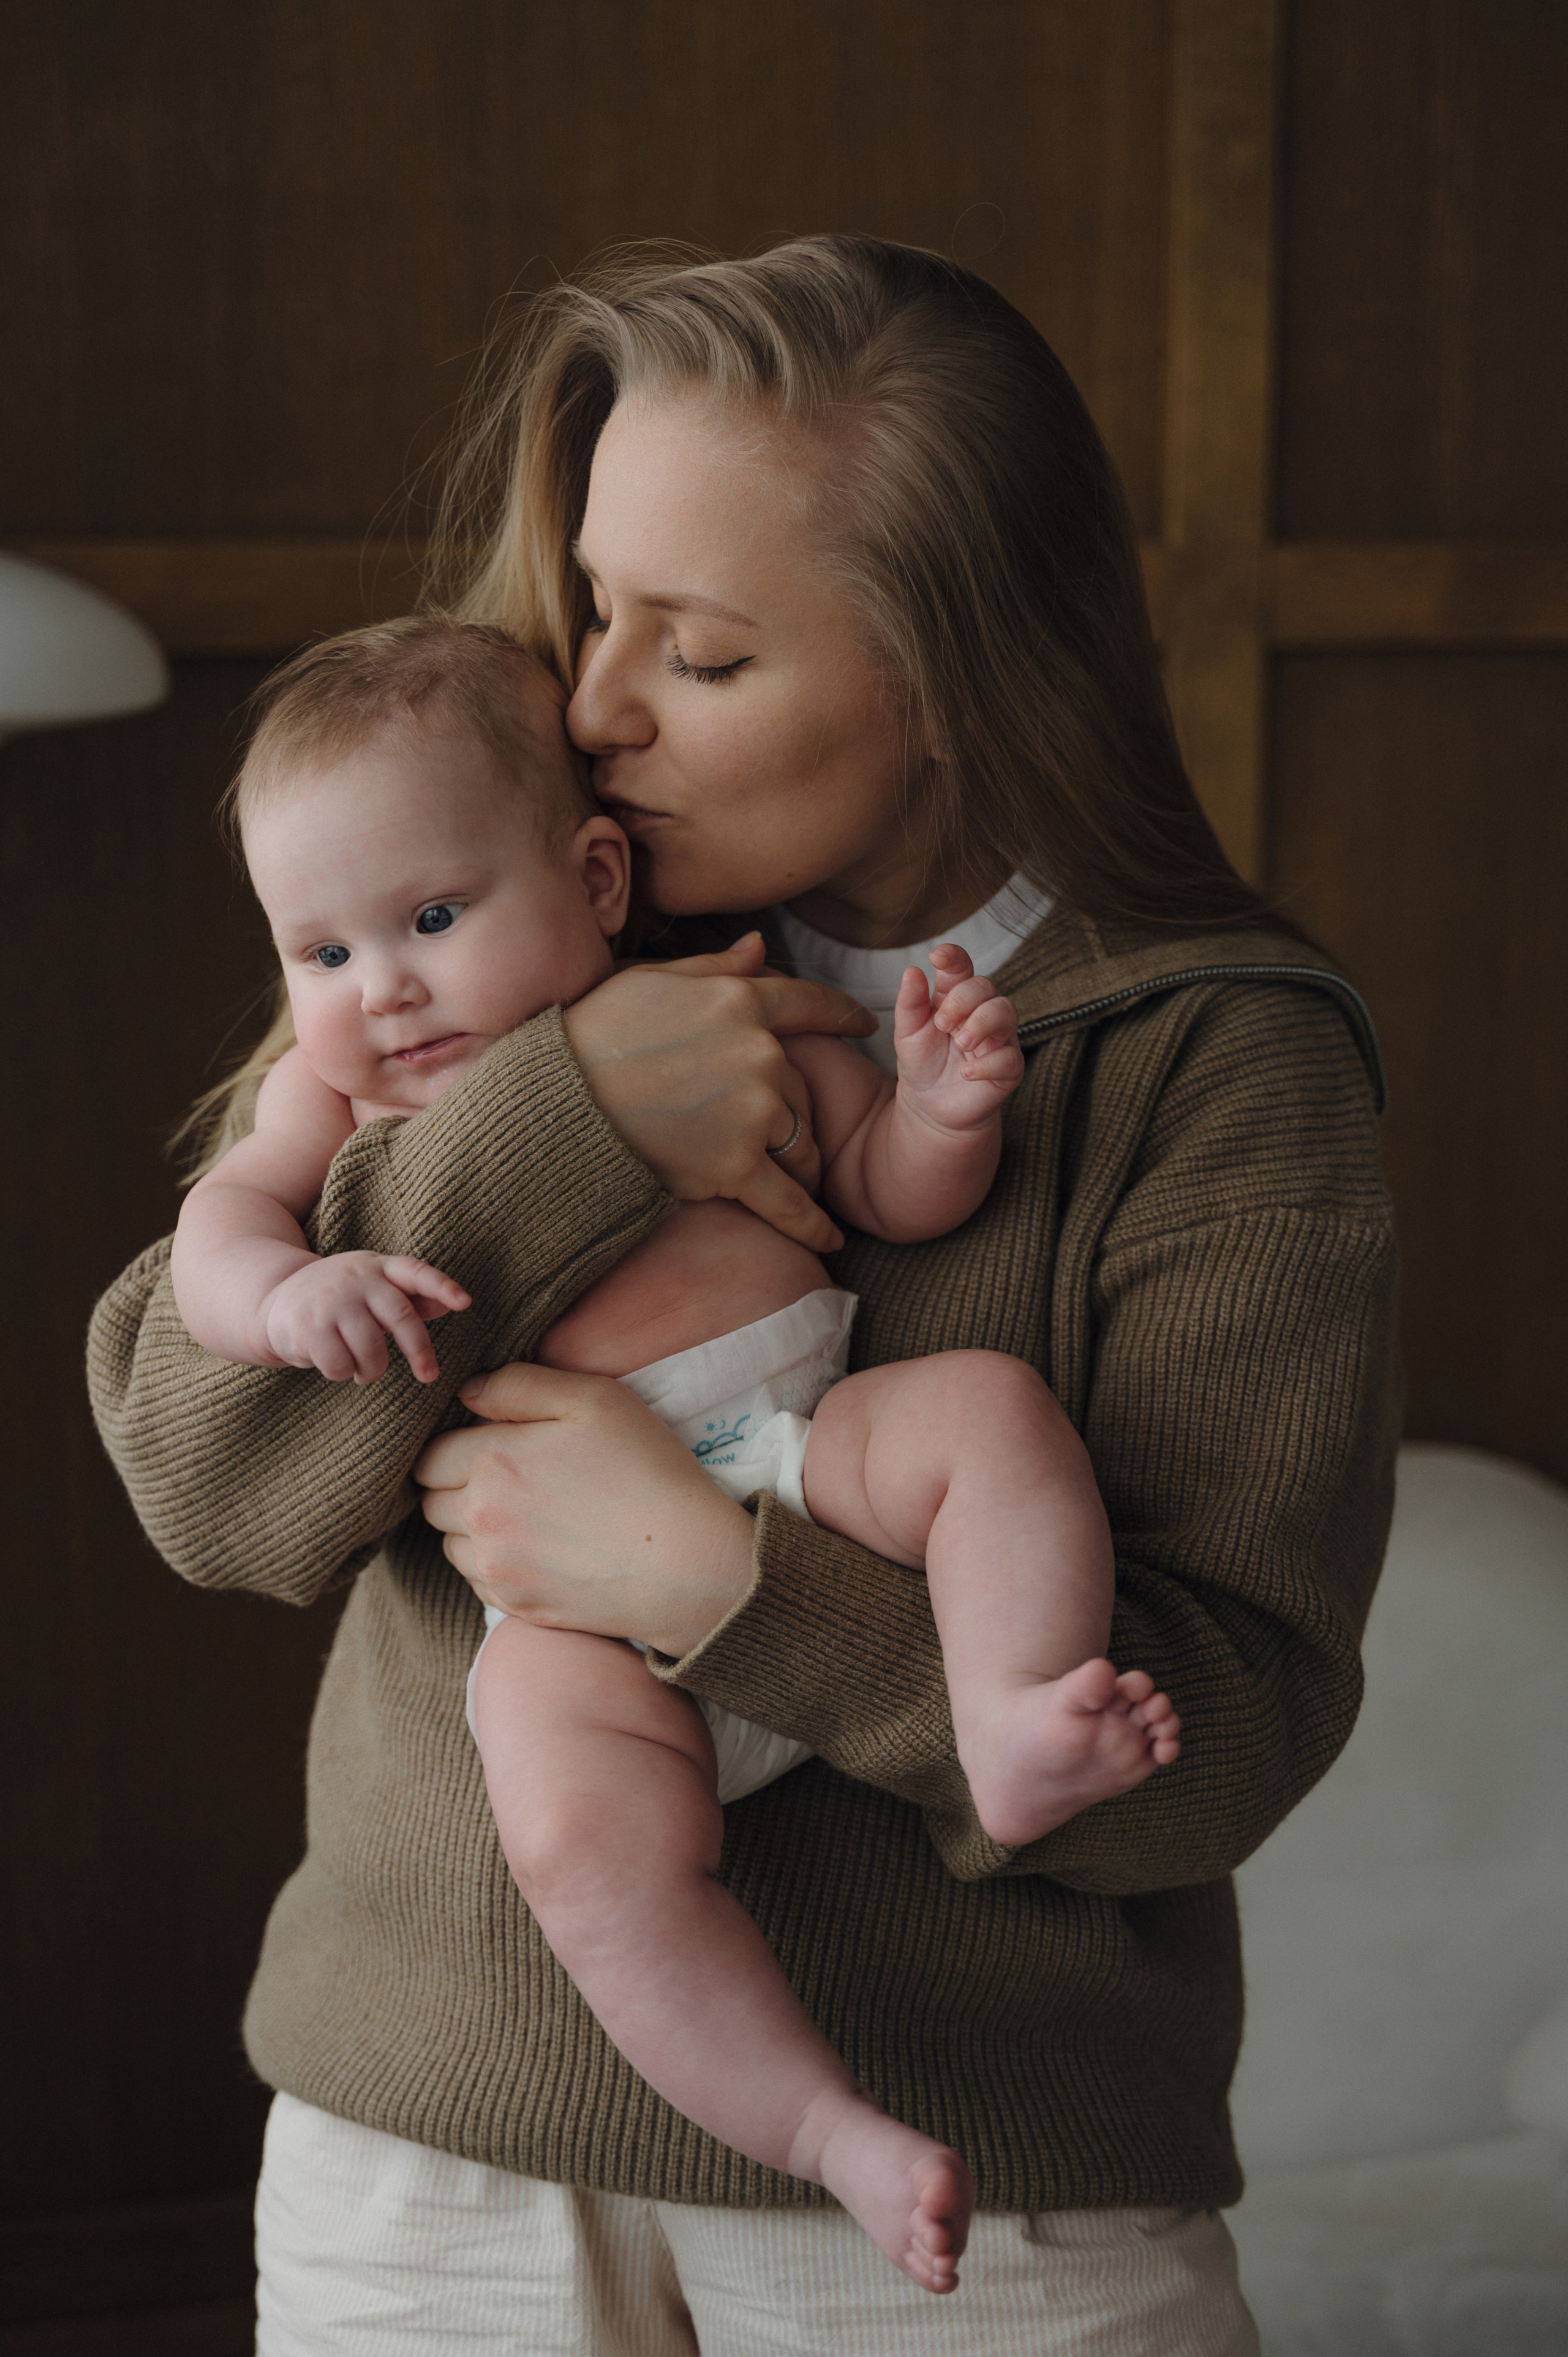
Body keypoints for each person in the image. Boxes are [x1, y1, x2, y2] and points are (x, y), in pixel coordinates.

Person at [88, 235, 1398, 2356]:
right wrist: (569, 1122)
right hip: (435, 2149)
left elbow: (1220, 1741)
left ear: (952, 678)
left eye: (697, 656)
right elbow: (209, 1484)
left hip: (981, 2172)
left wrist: (719, 1584)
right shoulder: (470, 937)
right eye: (601, 606)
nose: (591, 706)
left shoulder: (1212, 1056)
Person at [169, 616, 1182, 2292]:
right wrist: (293, 1295)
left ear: (595, 876)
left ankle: (1009, 1716)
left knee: (987, 1413)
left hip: (800, 1448)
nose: (383, 989)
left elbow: (886, 1191)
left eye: (432, 918)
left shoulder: (717, 1011)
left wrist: (941, 1108)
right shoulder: (339, 1110)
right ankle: (824, 2127)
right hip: (560, 1600)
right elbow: (215, 1247)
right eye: (321, 953)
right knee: (581, 1847)